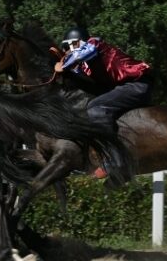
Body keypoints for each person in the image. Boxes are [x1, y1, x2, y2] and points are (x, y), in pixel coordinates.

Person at [53, 26, 152, 178]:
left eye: (68, 47)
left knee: (96, 108)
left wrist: (64, 64)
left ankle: (115, 162)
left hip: (137, 85)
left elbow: (82, 53)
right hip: (129, 87)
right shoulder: (86, 66)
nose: (66, 51)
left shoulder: (95, 43)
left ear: (78, 42)